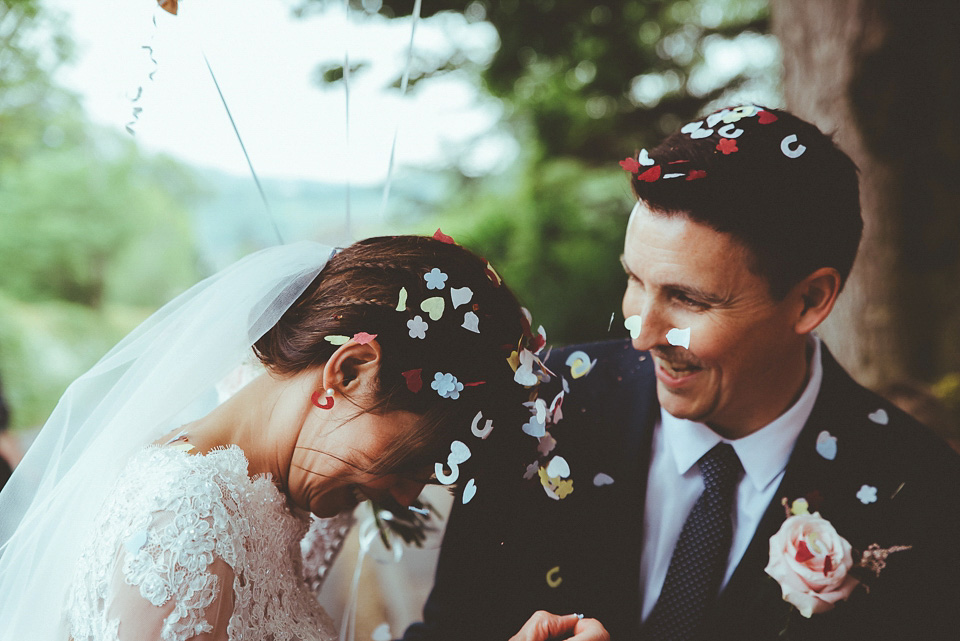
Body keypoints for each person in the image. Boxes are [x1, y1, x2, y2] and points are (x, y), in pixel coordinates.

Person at [400, 106, 960, 641]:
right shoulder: (537, 411)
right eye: (635, 280)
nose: (642, 336)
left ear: (811, 300)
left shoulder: (923, 496)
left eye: (688, 300)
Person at [0, 235, 595, 641]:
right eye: (418, 460)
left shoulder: (271, 506)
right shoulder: (182, 518)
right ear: (352, 369)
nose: (412, 496)